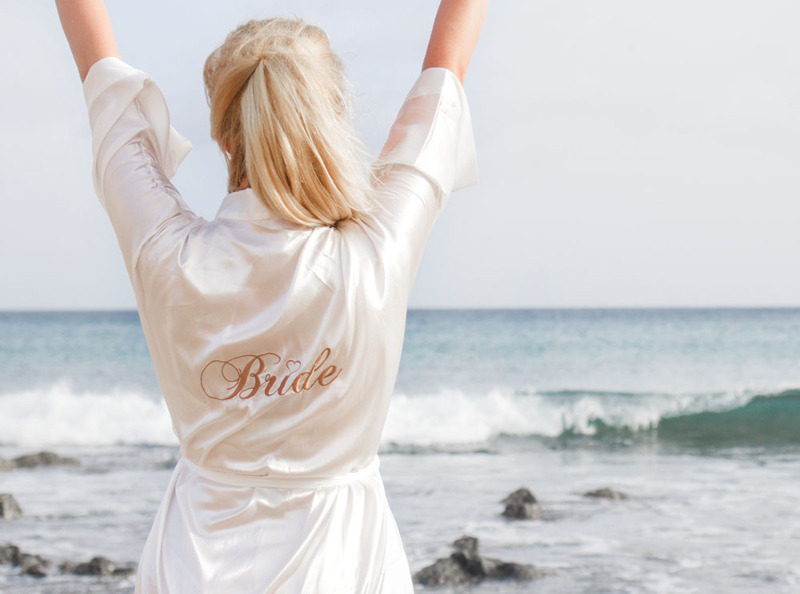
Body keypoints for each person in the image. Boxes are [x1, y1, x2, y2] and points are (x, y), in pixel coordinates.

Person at [56, 0, 486, 591]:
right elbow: (444, 76)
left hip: (192, 569)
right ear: (334, 120)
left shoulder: (169, 257)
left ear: (225, 141)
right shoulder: (375, 254)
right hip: (344, 569)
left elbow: (105, 88)